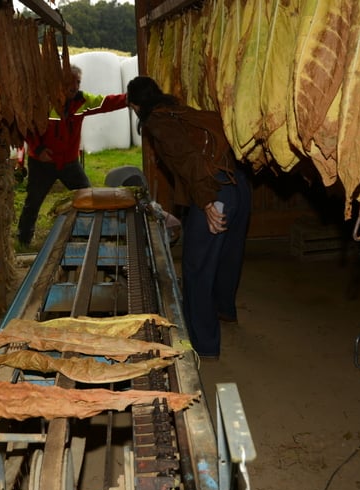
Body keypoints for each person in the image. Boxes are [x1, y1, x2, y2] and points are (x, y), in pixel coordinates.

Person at [126, 76, 251, 358]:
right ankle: (225, 310)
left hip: (214, 190)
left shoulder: (159, 122)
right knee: (228, 256)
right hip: (238, 185)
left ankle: (203, 345)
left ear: (135, 106)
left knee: (197, 268)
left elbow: (189, 158)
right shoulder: (179, 110)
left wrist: (207, 202)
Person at [17, 65, 128, 246]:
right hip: (42, 163)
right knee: (33, 202)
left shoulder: (82, 101)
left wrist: (129, 98)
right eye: (70, 82)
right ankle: (23, 240)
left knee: (88, 196)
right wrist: (38, 150)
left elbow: (106, 102)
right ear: (59, 83)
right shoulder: (43, 101)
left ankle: (94, 235)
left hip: (69, 163)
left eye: (78, 82)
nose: (75, 86)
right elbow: (27, 126)